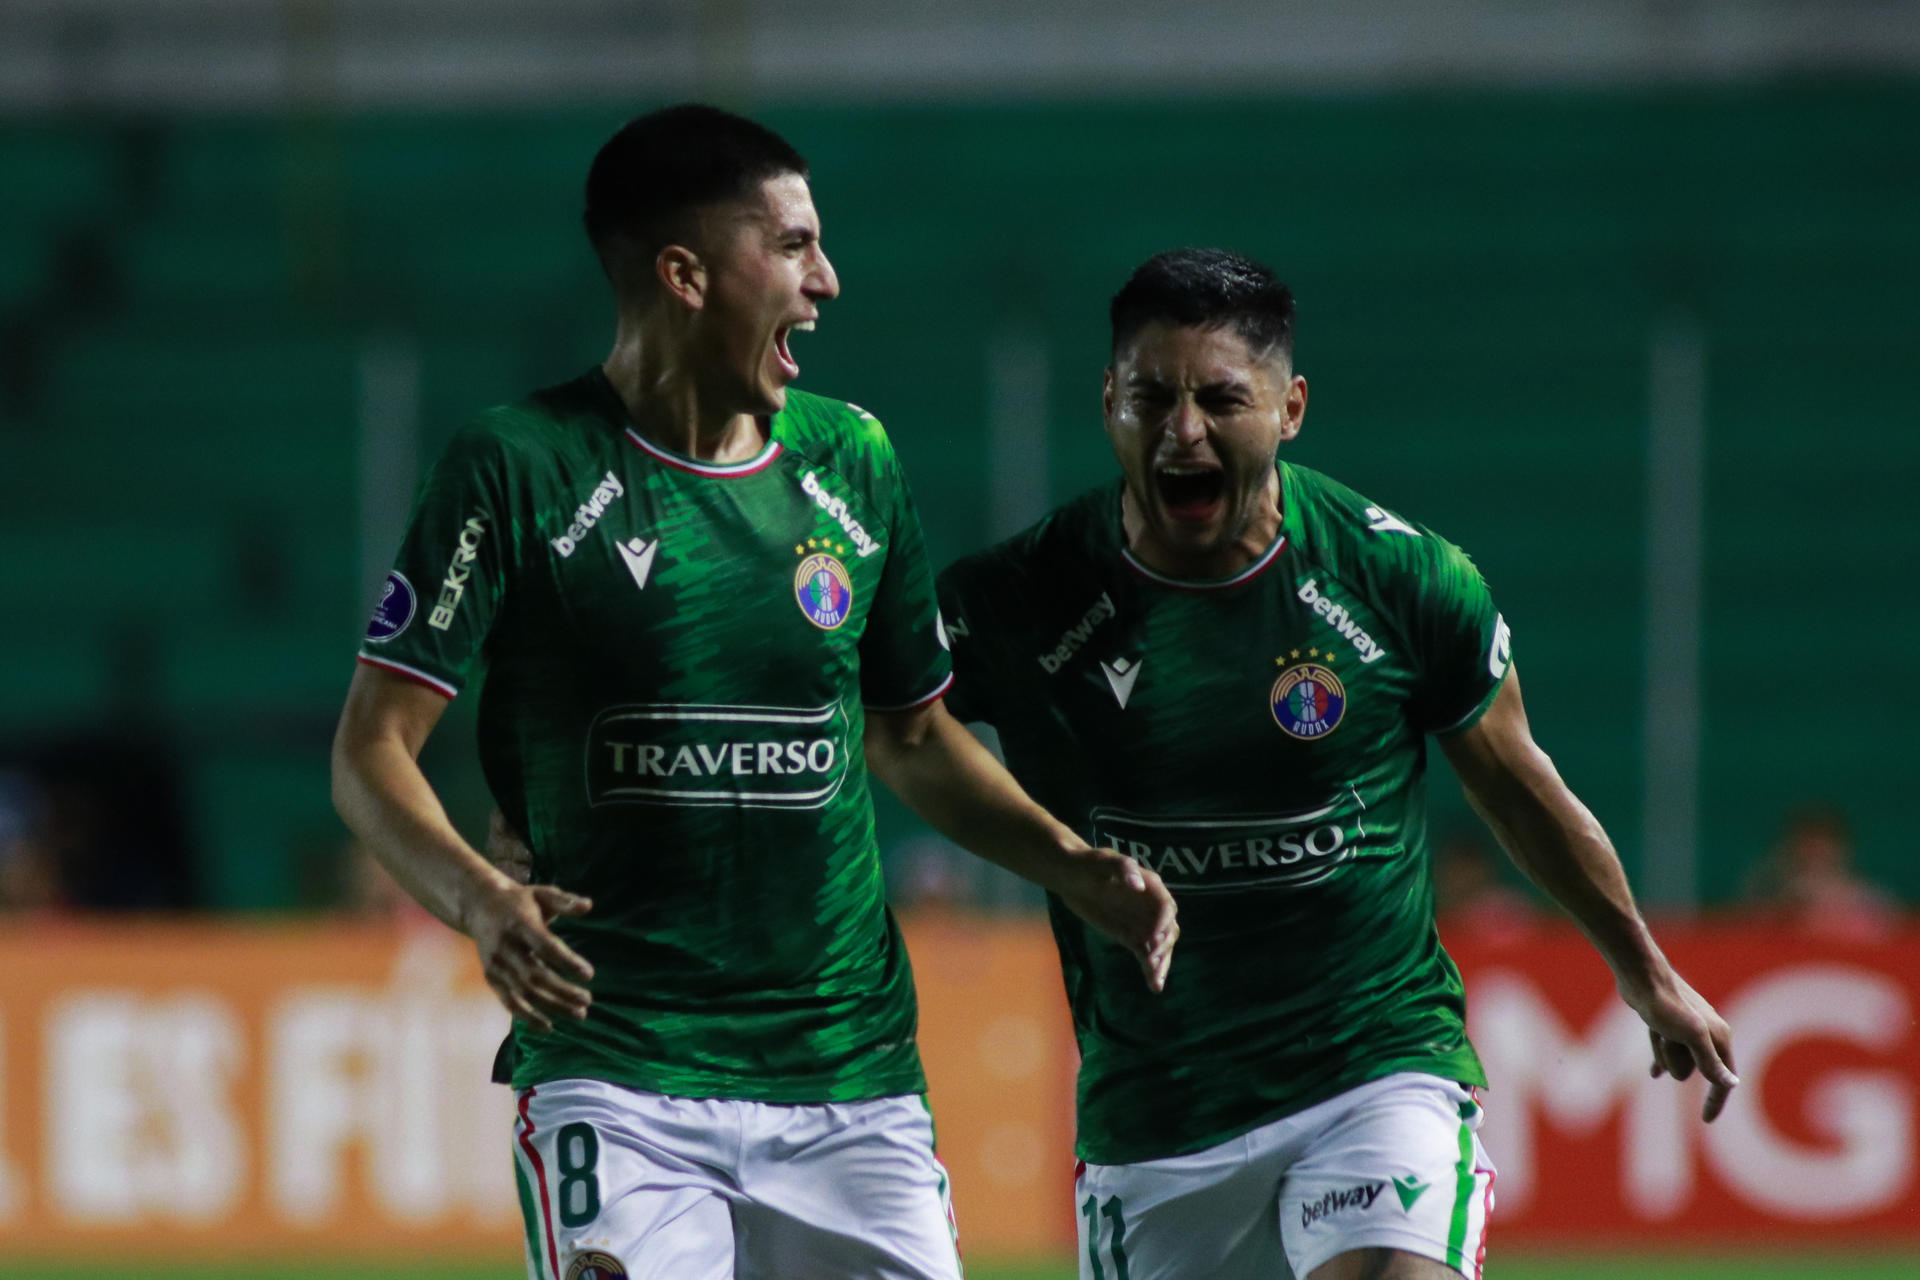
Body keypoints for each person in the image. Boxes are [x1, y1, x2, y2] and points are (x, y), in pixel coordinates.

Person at [330, 104, 1176, 1280]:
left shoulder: (853, 461)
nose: (826, 280)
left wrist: (1072, 863)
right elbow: (371, 748)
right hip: (619, 1065)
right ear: (684, 273)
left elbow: (916, 736)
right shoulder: (519, 465)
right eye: (792, 246)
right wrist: (478, 899)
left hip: (847, 1072)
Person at [934, 248, 1739, 1280]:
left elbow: (1517, 784)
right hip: (1160, 1112)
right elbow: (893, 731)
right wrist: (1052, 854)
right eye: (1151, 396)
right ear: (1107, 401)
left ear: (1290, 407)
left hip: (1373, 1064)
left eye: (1222, 397)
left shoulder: (1398, 577)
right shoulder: (1019, 597)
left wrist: (1648, 973)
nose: (1184, 429)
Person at [1742, 802, 1898, 941]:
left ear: (1841, 847)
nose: (1814, 850)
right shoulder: (1768, 898)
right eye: (1806, 842)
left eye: (1822, 842)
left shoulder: (1873, 899)